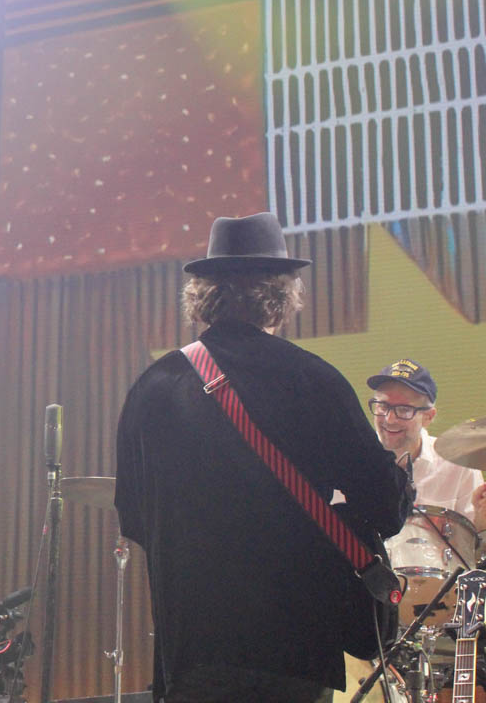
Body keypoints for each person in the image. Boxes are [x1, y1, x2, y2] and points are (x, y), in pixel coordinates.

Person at [115, 212, 411, 703]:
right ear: (282, 295)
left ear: (202, 295)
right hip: (294, 649)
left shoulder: (154, 387)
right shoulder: (314, 380)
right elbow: (384, 508)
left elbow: (134, 519)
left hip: (192, 649)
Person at [366, 360, 486, 529]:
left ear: (428, 417)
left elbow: (476, 537)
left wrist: (482, 521)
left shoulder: (459, 464)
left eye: (404, 410)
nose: (389, 419)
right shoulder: (353, 461)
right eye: (383, 406)